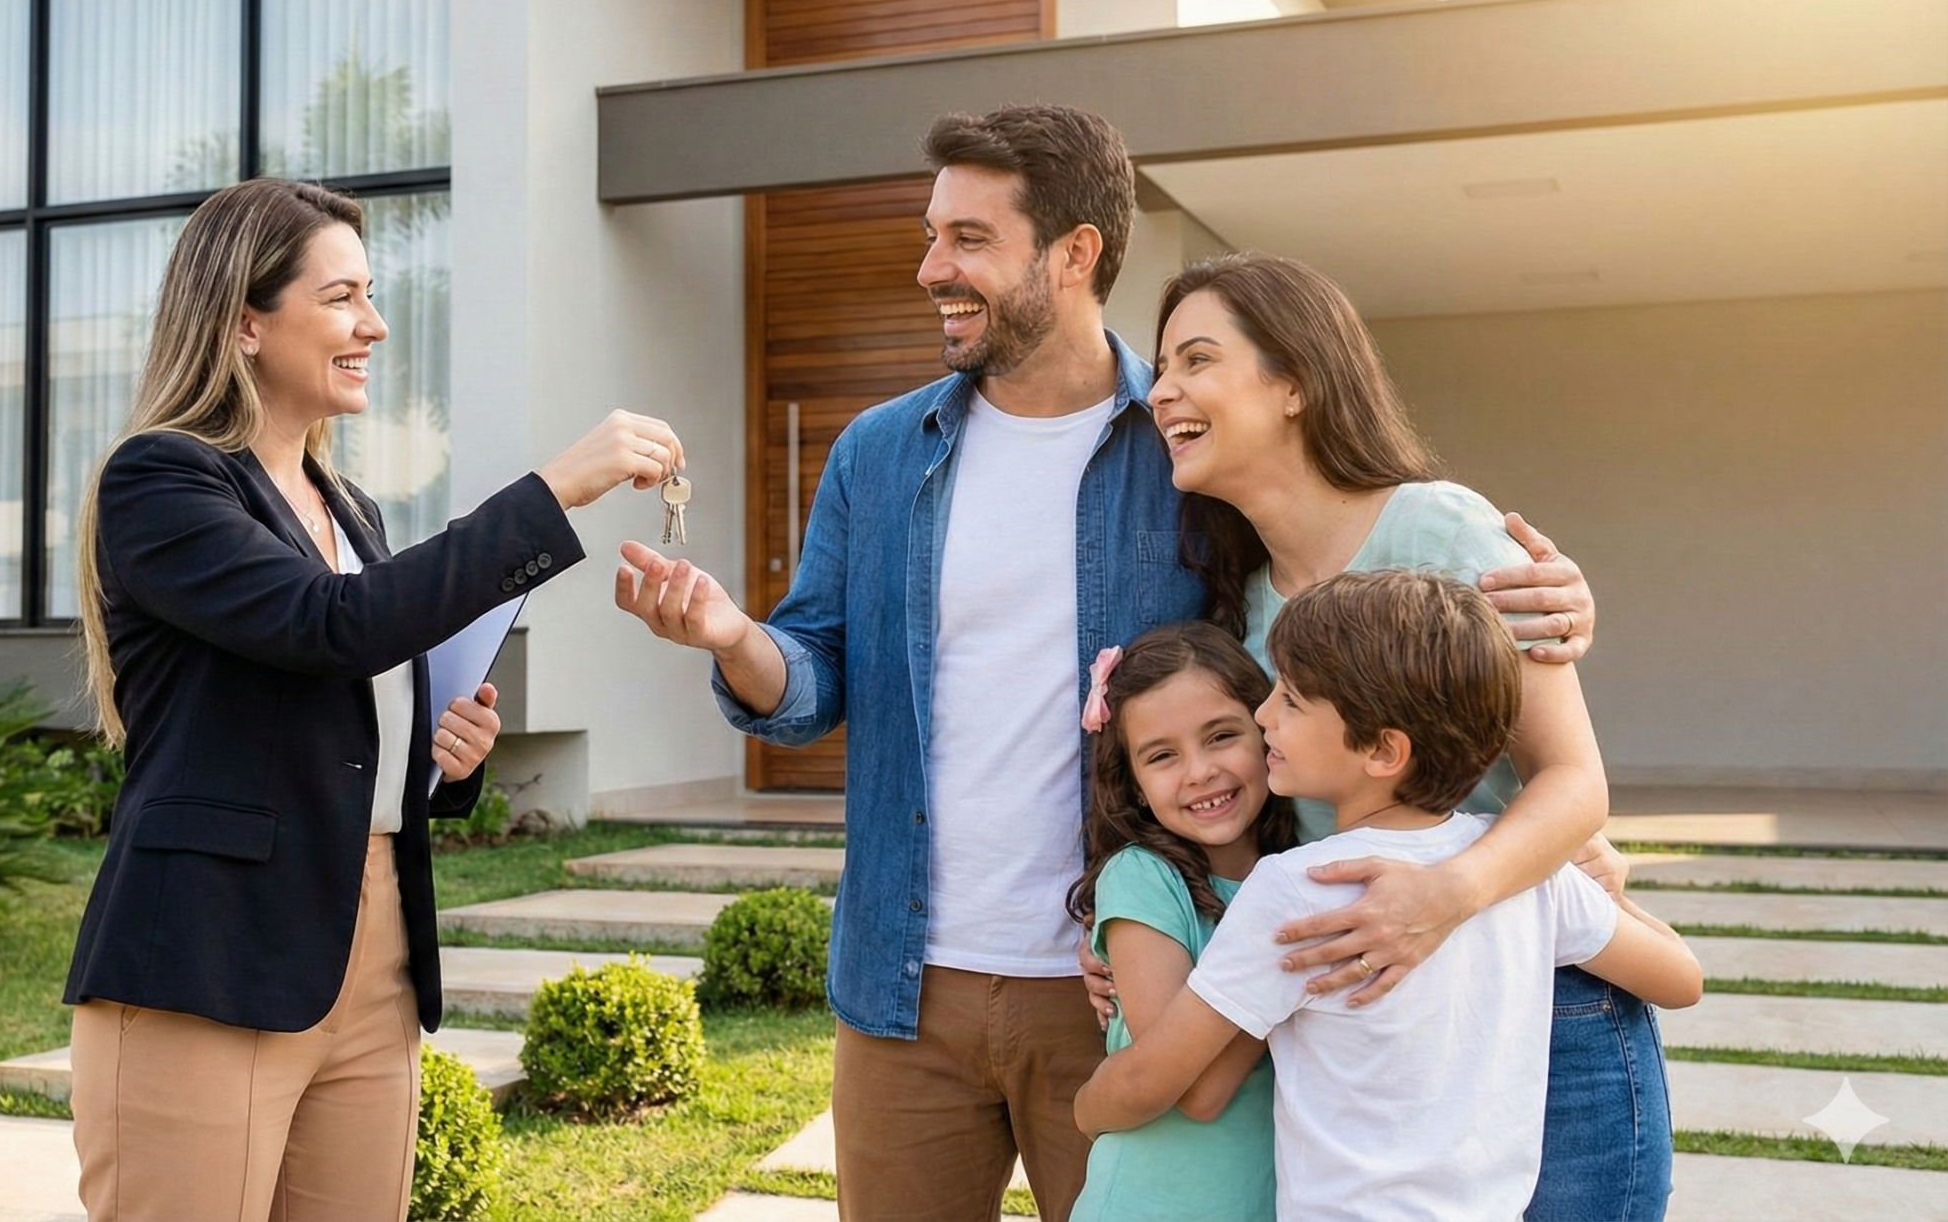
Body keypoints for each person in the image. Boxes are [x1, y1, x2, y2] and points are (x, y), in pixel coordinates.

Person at [613, 104, 1595, 1220]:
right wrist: (736, 640)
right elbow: (813, 681)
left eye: (969, 239)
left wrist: (1550, 614)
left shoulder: (1188, 457)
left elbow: (1362, 606)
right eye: (931, 233)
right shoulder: (880, 454)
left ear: (1074, 253)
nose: (930, 266)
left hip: (1136, 979)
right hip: (903, 982)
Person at [61, 179, 685, 1222]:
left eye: (370, 294)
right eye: (343, 296)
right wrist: (554, 489)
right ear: (246, 320)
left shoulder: (348, 505)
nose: (374, 325)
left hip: (374, 950)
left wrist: (445, 754)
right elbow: (330, 626)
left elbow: (351, 689)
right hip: (211, 957)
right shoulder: (161, 480)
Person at [1146, 252, 1667, 1217]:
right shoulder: (1241, 604)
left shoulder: (1444, 531)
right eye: (1160, 368)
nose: (1161, 390)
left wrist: (1447, 894)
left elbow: (1572, 780)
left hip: (1541, 1013)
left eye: (1195, 360)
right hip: (1374, 1048)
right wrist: (1147, 957)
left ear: (1295, 380)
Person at [1077, 571, 1701, 1222]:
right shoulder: (1527, 871)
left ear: (1382, 751)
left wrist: (1086, 1104)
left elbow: (1158, 1080)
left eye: (1290, 700)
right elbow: (1681, 978)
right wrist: (1596, 883)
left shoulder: (1300, 889)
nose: (1264, 714)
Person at [1064, 624, 1295, 1222]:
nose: (1198, 772)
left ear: (1268, 736)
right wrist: (1296, 954)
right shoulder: (1142, 878)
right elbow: (1198, 1089)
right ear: (1135, 785)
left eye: (1221, 736)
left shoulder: (1299, 869)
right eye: (1162, 755)